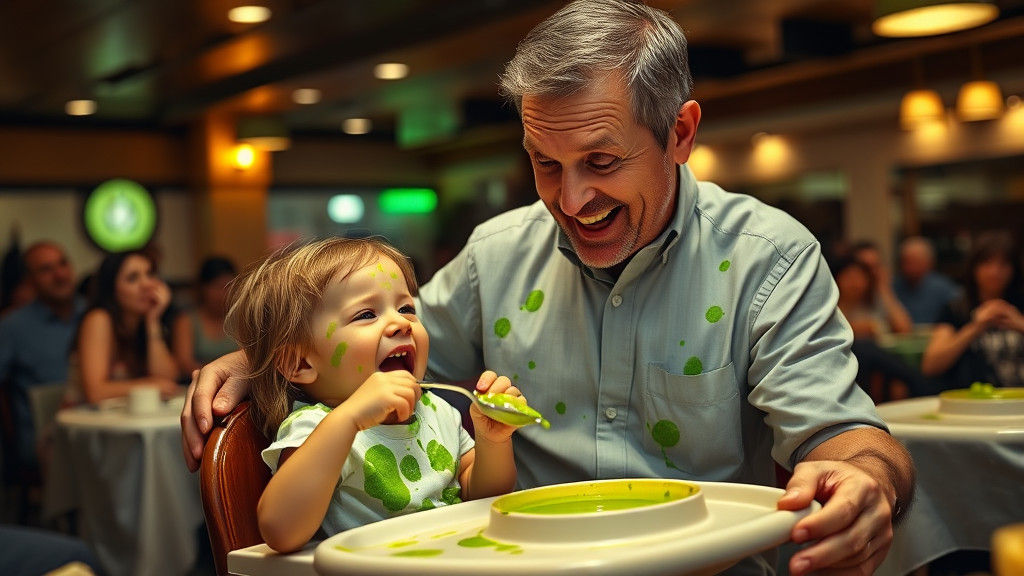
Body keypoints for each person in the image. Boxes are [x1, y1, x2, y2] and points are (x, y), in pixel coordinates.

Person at [181, 2, 914, 575]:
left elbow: (840, 436)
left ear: (680, 133)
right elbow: (385, 344)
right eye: (544, 163)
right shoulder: (497, 254)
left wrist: (867, 483)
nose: (569, 200)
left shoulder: (767, 258)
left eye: (600, 160)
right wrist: (262, 356)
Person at [225, 237, 521, 552]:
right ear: (300, 363)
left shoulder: (439, 411)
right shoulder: (316, 428)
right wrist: (349, 419)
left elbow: (484, 497)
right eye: (366, 314)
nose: (400, 324)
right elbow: (280, 530)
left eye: (407, 308)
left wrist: (493, 442)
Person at [0, 241, 85, 470]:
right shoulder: (12, 327)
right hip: (43, 443)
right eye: (46, 269)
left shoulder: (94, 316)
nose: (59, 274)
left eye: (63, 264)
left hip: (95, 428)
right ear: (30, 280)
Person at [64, 250, 183, 405]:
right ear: (112, 289)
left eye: (150, 274)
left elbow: (168, 382)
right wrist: (150, 384)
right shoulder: (99, 319)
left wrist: (153, 321)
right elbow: (95, 392)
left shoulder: (144, 323)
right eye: (133, 278)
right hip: (80, 422)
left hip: (123, 423)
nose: (147, 284)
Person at [922, 231, 1024, 389]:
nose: (995, 272)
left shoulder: (1020, 305)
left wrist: (1020, 324)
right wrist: (976, 327)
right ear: (974, 268)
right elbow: (931, 366)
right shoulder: (955, 309)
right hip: (974, 402)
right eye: (987, 263)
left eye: (1004, 264)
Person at [833, 256, 931, 399]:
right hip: (846, 361)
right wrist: (860, 328)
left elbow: (904, 328)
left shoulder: (872, 303)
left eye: (860, 277)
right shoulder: (832, 305)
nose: (854, 283)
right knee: (865, 348)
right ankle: (920, 384)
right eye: (849, 277)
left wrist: (884, 288)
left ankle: (918, 384)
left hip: (882, 363)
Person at [173, 256, 238, 374]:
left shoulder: (241, 320)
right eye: (218, 287)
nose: (224, 293)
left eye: (229, 286)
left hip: (237, 382)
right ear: (203, 288)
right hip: (197, 381)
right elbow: (184, 363)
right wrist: (217, 373)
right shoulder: (187, 320)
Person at [893, 236, 960, 326]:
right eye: (906, 262)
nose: (910, 267)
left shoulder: (943, 288)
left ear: (929, 262)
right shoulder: (894, 287)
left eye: (915, 261)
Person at [850, 240, 914, 335]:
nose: (872, 273)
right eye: (866, 268)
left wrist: (885, 290)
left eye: (876, 266)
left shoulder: (879, 294)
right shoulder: (843, 295)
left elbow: (905, 329)